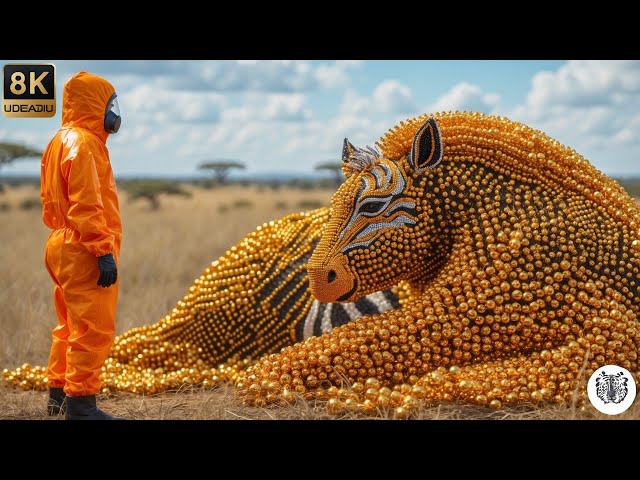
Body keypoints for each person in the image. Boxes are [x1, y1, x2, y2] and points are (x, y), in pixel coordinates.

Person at [40, 71, 123, 420]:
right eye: (111, 105)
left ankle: (58, 395)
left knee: (68, 326)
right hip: (82, 247)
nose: (116, 113)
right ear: (95, 105)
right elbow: (86, 204)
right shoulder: (85, 143)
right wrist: (102, 250)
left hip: (59, 243)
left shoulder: (59, 138)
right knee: (92, 327)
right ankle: (82, 405)